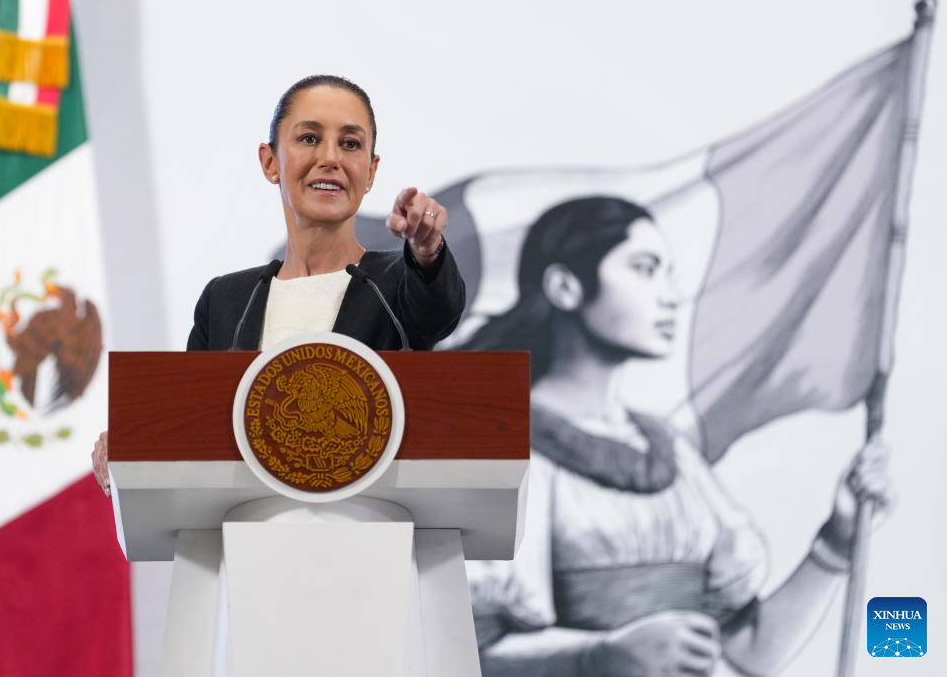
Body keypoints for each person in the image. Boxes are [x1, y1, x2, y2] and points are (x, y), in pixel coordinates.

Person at [461, 197, 892, 677]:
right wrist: (599, 656)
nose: (669, 296)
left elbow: (750, 650)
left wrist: (837, 540)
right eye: (645, 269)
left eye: (668, 274)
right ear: (565, 287)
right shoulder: (497, 444)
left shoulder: (670, 451)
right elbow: (459, 652)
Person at [92, 75, 465, 494]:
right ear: (270, 162)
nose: (330, 158)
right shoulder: (226, 300)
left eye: (350, 144)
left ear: (371, 171)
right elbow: (194, 427)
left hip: (372, 526)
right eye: (309, 138)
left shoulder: (396, 283)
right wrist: (135, 446)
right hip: (244, 529)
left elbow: (437, 310)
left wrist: (427, 249)